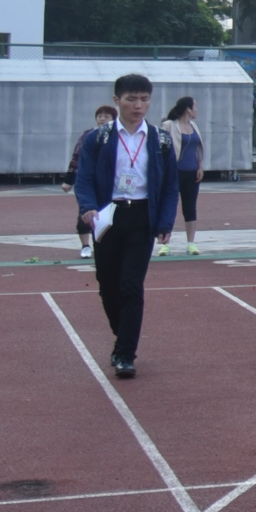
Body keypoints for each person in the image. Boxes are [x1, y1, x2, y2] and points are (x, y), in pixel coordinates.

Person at [72, 74, 179, 379]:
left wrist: (165, 222)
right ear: (117, 100)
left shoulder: (160, 140)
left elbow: (170, 187)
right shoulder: (98, 138)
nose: (138, 105)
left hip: (142, 216)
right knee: (108, 285)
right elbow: (84, 178)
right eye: (132, 99)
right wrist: (88, 207)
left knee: (132, 285)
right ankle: (123, 334)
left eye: (144, 99)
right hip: (107, 216)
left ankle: (125, 353)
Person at [159, 97, 206, 257]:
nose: (196, 110)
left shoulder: (194, 126)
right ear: (188, 109)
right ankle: (165, 244)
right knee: (169, 206)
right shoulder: (169, 125)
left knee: (190, 207)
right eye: (195, 107)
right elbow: (162, 148)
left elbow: (198, 148)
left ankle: (191, 243)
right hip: (174, 172)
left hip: (192, 172)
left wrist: (200, 166)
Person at [72, 104, 114, 258]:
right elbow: (76, 156)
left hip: (108, 183)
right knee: (85, 212)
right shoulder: (88, 135)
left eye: (106, 117)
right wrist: (68, 180)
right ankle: (85, 245)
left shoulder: (117, 135)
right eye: (99, 116)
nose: (102, 119)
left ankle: (105, 244)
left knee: (107, 215)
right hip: (89, 180)